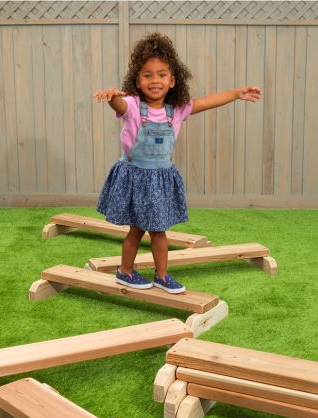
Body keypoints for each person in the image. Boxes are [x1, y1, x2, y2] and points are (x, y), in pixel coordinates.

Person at [93, 32, 261, 294]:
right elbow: (119, 104)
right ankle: (127, 272)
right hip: (136, 177)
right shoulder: (134, 106)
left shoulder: (177, 110)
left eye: (161, 74)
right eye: (147, 75)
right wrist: (112, 95)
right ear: (137, 81)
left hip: (160, 179)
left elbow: (207, 102)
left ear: (172, 80)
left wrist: (236, 93)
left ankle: (157, 275)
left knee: (158, 231)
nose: (155, 80)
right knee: (137, 230)